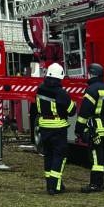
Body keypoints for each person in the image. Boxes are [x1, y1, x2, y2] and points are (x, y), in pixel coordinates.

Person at [76, 62, 104, 193]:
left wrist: (79, 129)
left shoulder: (91, 90)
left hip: (96, 127)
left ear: (92, 74)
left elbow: (85, 111)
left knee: (96, 156)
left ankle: (95, 184)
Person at [36, 62, 76, 195]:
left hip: (44, 126)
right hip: (58, 127)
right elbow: (71, 111)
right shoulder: (61, 93)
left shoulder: (40, 89)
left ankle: (50, 184)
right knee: (60, 156)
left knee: (48, 155)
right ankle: (55, 186)